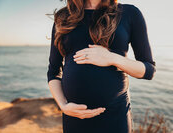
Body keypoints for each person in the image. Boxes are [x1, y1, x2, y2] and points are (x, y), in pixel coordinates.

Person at [47, 0, 156, 133]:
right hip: (74, 118)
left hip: (115, 118)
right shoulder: (64, 17)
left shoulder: (129, 13)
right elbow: (53, 72)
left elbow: (148, 70)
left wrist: (111, 58)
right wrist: (63, 105)